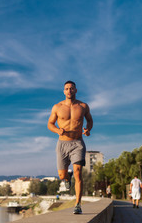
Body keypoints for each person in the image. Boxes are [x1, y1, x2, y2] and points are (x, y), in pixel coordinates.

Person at [48, 80, 93, 214]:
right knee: (61, 175)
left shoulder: (83, 106)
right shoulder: (57, 107)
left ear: (76, 90)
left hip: (77, 143)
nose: (69, 91)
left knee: (78, 173)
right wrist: (57, 130)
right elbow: (50, 124)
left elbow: (90, 120)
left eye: (71, 88)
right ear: (64, 91)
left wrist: (88, 129)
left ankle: (77, 204)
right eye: (67, 89)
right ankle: (67, 177)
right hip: (62, 143)